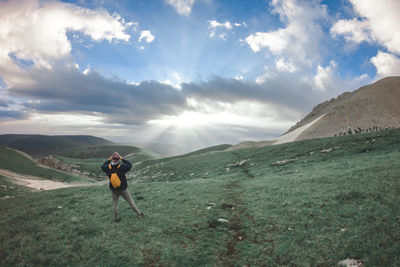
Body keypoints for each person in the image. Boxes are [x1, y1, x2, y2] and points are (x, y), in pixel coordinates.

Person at [101, 152, 144, 222]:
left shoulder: (107, 167)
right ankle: (139, 214)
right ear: (118, 159)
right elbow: (129, 165)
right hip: (123, 189)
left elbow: (102, 166)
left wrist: (109, 160)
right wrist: (123, 159)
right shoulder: (121, 166)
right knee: (130, 201)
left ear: (112, 159)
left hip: (114, 189)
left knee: (115, 204)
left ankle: (116, 218)